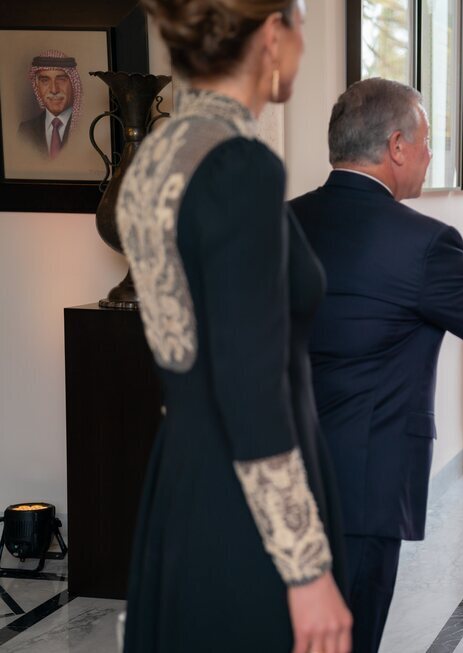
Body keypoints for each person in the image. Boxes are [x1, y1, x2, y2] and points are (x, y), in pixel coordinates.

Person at [289, 77, 463, 653]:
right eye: (426, 142)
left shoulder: (280, 222)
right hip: (365, 482)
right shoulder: (424, 242)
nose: (428, 156)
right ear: (396, 146)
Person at [116, 1, 351, 651]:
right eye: (302, 24)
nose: (304, 42)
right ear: (273, 35)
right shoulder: (239, 166)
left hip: (183, 479)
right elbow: (250, 384)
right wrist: (305, 568)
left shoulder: (161, 150)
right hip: (246, 510)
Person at [18, 50, 81, 158]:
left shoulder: (83, 127)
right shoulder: (25, 130)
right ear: (37, 86)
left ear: (73, 84)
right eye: (45, 80)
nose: (54, 90)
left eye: (61, 79)